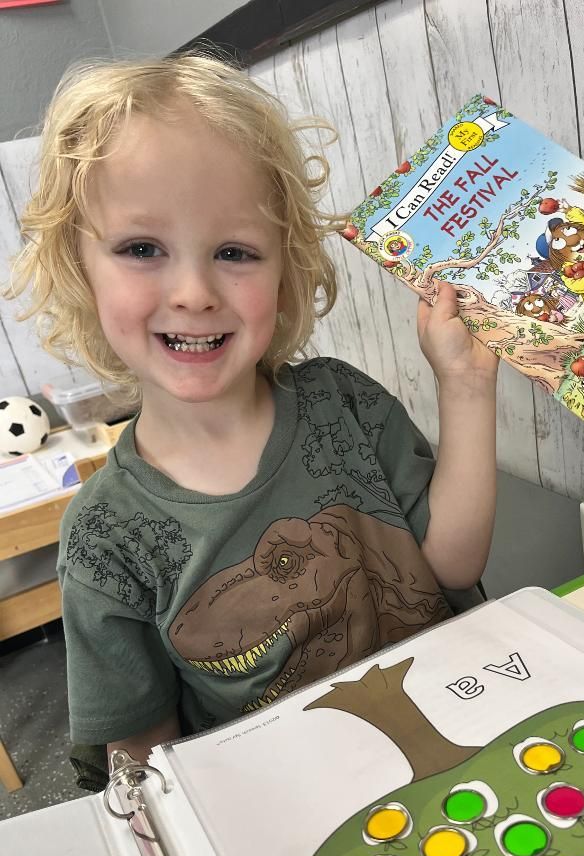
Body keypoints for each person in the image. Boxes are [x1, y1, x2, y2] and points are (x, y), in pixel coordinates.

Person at [2, 50, 499, 771]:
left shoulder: (344, 404)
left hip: (468, 731)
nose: (195, 291)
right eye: (143, 247)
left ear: (285, 265)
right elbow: (146, 761)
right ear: (80, 268)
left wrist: (467, 387)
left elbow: (454, 563)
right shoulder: (103, 539)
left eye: (235, 250)